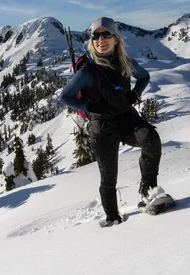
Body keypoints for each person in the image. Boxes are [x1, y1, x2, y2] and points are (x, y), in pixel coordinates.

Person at [60, 17, 171, 226]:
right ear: (91, 40)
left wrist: (135, 95)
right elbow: (65, 96)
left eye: (106, 35)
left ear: (116, 38)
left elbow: (144, 77)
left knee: (151, 139)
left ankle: (149, 192)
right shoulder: (87, 71)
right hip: (101, 127)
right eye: (96, 36)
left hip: (126, 117)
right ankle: (113, 218)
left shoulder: (124, 61)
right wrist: (90, 107)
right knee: (109, 179)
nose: (101, 40)